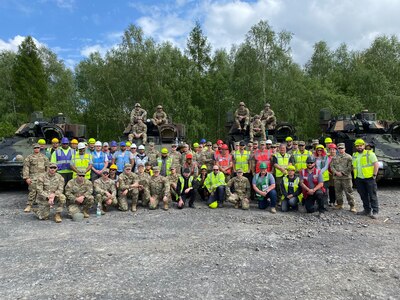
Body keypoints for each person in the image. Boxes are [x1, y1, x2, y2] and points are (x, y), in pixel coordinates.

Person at [352, 139, 379, 219]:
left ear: (364, 146)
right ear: (356, 147)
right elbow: (353, 166)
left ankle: (375, 211)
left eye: (361, 145)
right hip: (359, 178)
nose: (359, 147)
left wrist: (374, 175)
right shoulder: (355, 155)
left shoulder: (370, 153)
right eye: (357, 146)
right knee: (363, 195)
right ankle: (366, 210)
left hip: (369, 178)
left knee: (372, 195)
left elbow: (376, 164)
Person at [22, 143, 49, 212]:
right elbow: (26, 168)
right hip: (33, 177)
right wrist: (27, 178)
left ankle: (44, 205)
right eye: (35, 148)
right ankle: (29, 205)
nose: (36, 149)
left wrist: (47, 177)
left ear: (40, 149)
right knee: (32, 191)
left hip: (42, 177)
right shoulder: (29, 157)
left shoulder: (44, 157)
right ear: (33, 149)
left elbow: (47, 167)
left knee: (43, 191)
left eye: (38, 148)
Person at [330, 143, 356, 213]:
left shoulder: (349, 157)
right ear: (337, 149)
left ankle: (352, 206)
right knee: (338, 192)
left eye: (342, 148)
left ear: (345, 149)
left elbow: (350, 167)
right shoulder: (334, 157)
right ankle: (339, 204)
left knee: (349, 192)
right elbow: (331, 166)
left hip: (346, 178)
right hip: (337, 178)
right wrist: (336, 172)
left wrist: (342, 173)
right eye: (339, 148)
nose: (340, 149)